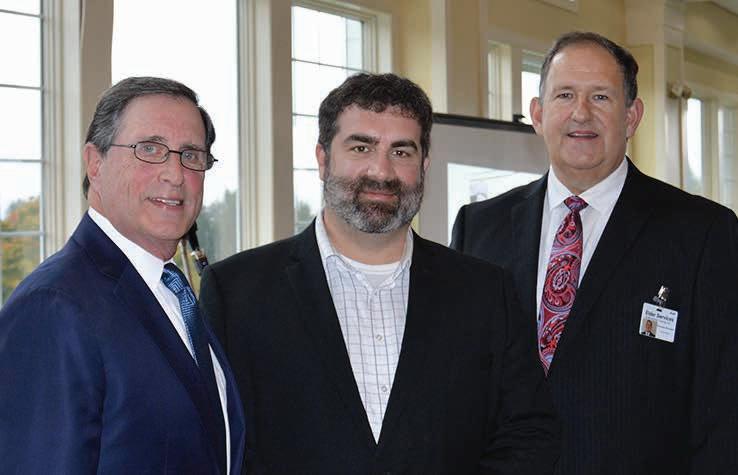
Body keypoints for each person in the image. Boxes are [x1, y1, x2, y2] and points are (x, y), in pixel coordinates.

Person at [200, 73, 559, 473]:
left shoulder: (485, 292)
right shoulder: (237, 292)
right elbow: (216, 442)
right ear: (323, 159)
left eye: (401, 152)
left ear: (424, 165)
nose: (382, 171)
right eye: (361, 147)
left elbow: (527, 433)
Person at [451, 31, 738, 474]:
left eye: (601, 96)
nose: (581, 113)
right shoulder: (479, 228)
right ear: (538, 114)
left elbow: (722, 407)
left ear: (632, 116)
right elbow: (459, 384)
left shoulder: (702, 233)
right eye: (564, 95)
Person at [0, 77, 245, 474]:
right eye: (149, 149)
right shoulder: (54, 307)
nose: (175, 174)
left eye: (191, 155)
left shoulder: (172, 291)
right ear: (95, 163)